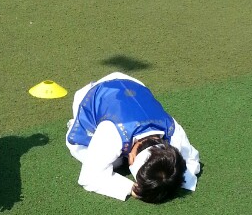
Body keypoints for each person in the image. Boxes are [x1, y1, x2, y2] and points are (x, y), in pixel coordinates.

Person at [66, 72, 199, 203]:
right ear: (132, 159)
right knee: (113, 162)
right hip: (90, 96)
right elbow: (88, 177)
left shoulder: (173, 130)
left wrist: (173, 178)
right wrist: (130, 188)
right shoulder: (111, 134)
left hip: (133, 85)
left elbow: (191, 160)